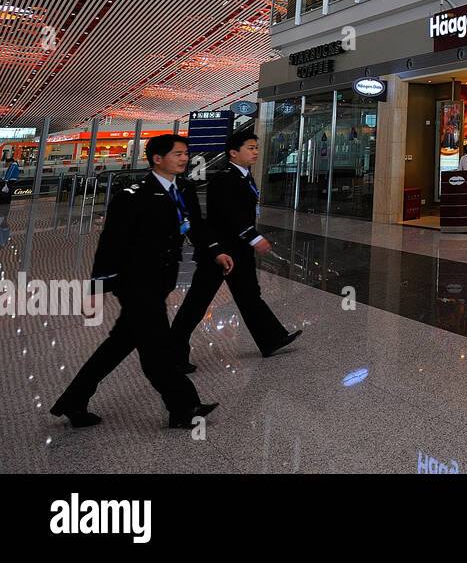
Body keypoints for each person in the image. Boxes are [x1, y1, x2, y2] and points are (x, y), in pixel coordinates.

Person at [52, 135, 220, 429]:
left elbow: (196, 226)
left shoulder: (183, 188)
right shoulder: (132, 195)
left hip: (161, 280)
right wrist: (97, 288)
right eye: (177, 154)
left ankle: (74, 400)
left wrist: (216, 251)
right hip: (135, 282)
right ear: (157, 158)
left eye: (185, 154)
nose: (184, 158)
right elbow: (111, 244)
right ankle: (183, 407)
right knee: (157, 350)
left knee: (119, 344)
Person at [171, 130, 300, 372]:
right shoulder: (225, 179)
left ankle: (271, 339)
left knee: (249, 295)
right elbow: (230, 216)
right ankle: (172, 353)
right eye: (250, 148)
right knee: (198, 302)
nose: (255, 152)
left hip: (238, 251)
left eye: (255, 147)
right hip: (220, 253)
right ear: (233, 152)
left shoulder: (244, 176)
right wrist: (254, 237)